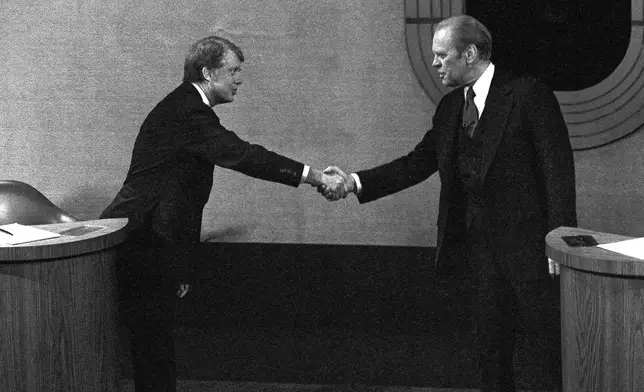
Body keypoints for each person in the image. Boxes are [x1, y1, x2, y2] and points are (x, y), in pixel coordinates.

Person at [321, 15, 576, 392]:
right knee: (489, 352)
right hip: (476, 257)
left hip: (531, 258)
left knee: (543, 353)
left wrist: (560, 241)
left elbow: (558, 171)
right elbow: (416, 163)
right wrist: (354, 182)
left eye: (442, 55)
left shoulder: (528, 95)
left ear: (470, 53)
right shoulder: (449, 107)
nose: (436, 63)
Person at [100, 36, 343, 392]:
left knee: (156, 348)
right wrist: (317, 177)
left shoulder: (185, 109)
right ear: (207, 73)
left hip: (153, 244)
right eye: (233, 71)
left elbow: (179, 198)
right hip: (142, 243)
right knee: (153, 349)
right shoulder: (187, 113)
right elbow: (243, 155)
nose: (239, 79)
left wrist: (181, 263)